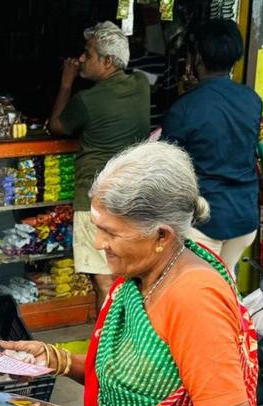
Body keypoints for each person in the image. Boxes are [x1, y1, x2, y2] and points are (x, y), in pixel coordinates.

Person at [1, 142, 263, 406]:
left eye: (109, 232)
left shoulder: (193, 297)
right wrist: (55, 360)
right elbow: (132, 383)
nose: (98, 243)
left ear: (160, 235)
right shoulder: (140, 279)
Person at [48, 21, 150, 311]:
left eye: (87, 54)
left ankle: (107, 352)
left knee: (104, 281)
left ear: (107, 61)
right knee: (130, 278)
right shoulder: (141, 86)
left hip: (96, 202)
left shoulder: (86, 101)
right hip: (132, 198)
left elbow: (56, 126)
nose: (81, 59)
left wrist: (67, 82)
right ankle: (128, 344)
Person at [161, 19, 263, 274]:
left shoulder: (184, 109)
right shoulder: (251, 100)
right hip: (243, 217)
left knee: (200, 296)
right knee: (225, 288)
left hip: (204, 223)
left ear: (197, 58)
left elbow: (166, 169)